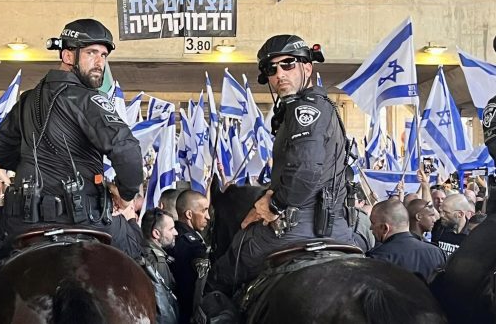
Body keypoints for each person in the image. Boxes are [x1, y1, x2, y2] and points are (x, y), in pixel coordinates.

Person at [0, 19, 144, 259]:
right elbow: (128, 151)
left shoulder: (28, 99)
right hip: (84, 220)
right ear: (68, 55)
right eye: (91, 53)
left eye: (103, 55)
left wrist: (33, 165)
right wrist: (125, 196)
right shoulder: (88, 99)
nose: (100, 62)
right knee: (143, 257)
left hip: (20, 222)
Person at [210, 34, 354, 294]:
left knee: (220, 274)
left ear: (307, 67)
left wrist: (274, 204)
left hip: (297, 229)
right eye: (272, 69)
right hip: (340, 231)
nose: (279, 74)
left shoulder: (304, 110)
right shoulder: (313, 108)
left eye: (289, 64)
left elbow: (306, 170)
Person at [367, 200, 446, 282]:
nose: (371, 227)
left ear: (385, 228)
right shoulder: (437, 253)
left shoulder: (378, 257)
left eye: (373, 223)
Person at [170, 190, 210, 324]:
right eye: (204, 211)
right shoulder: (194, 247)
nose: (208, 216)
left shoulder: (170, 234)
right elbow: (197, 288)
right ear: (189, 214)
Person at [142, 208, 178, 292]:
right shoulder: (158, 262)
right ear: (156, 234)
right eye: (171, 229)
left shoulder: (139, 249)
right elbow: (164, 298)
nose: (176, 232)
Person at [436, 193, 473, 257]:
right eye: (441, 211)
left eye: (446, 212)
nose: (441, 215)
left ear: (460, 214)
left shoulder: (473, 236)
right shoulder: (436, 227)